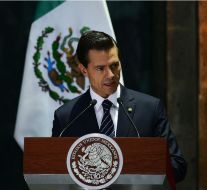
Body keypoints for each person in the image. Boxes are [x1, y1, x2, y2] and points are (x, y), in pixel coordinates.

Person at [52, 30, 187, 183]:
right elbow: (55, 174)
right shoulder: (66, 117)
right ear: (84, 70)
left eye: (114, 65)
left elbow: (178, 167)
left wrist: (141, 164)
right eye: (100, 68)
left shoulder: (150, 109)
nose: (110, 74)